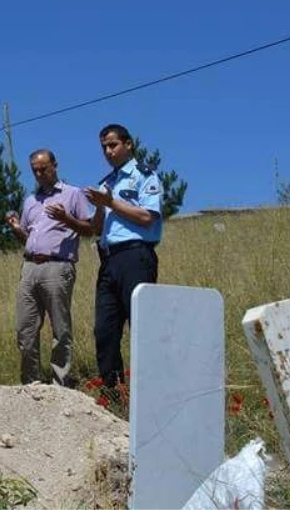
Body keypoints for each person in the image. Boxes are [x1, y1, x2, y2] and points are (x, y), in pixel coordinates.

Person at [84, 123, 163, 390]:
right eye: (104, 147)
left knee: (141, 326)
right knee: (105, 330)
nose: (108, 151)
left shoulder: (144, 175)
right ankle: (114, 395)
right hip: (108, 259)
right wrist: (98, 207)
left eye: (113, 145)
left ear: (128, 144)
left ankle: (150, 391)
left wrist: (110, 203)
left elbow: (146, 217)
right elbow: (95, 228)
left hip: (135, 255)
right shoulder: (106, 183)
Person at [5, 149, 94, 386]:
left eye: (43, 168)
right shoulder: (30, 201)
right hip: (29, 266)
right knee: (25, 329)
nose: (39, 173)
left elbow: (89, 229)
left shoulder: (73, 194)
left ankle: (60, 384)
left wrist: (67, 219)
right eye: (34, 170)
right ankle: (30, 383)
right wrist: (16, 229)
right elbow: (27, 237)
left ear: (55, 165)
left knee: (60, 328)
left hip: (58, 265)